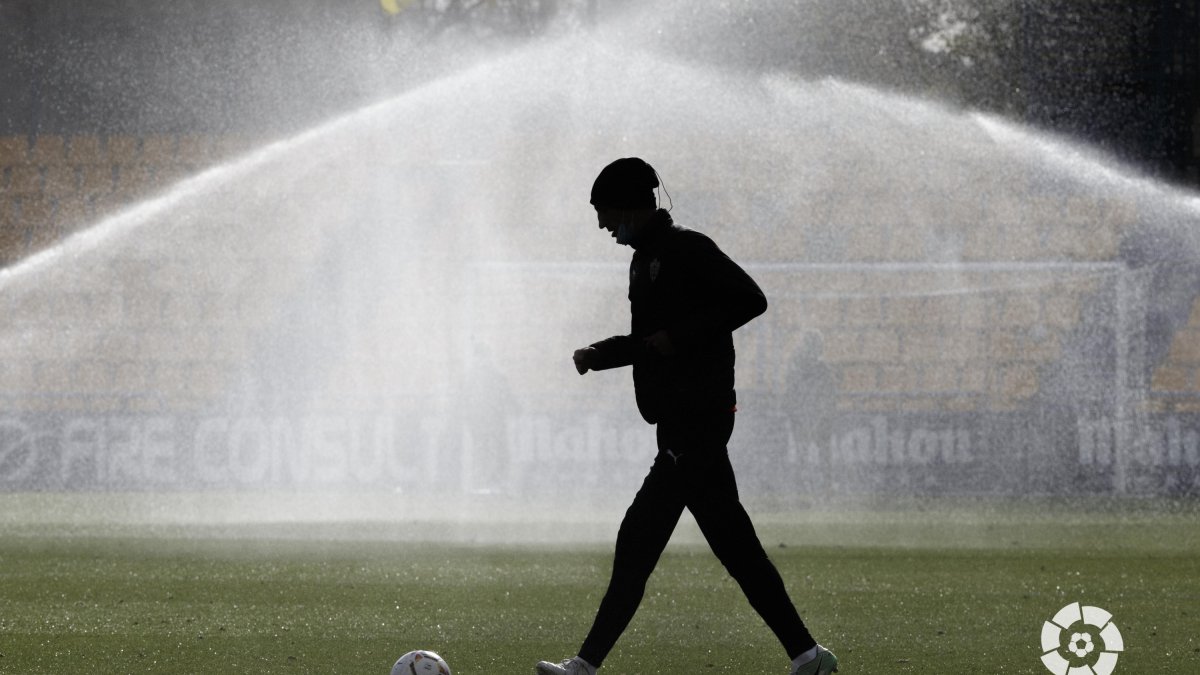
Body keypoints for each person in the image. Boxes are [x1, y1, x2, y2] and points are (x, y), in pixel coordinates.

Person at [535, 158, 838, 675]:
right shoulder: (643, 259)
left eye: (605, 213)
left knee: (638, 538)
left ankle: (584, 667)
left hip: (697, 421)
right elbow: (650, 342)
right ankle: (808, 655)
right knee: (736, 549)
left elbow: (751, 299)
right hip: (677, 424)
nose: (603, 225)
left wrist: (680, 338)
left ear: (632, 204)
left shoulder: (687, 249)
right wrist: (600, 354)